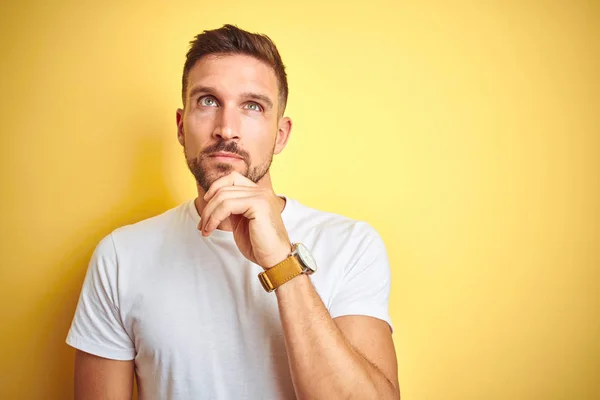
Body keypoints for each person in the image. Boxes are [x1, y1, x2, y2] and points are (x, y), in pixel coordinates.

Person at [66, 24, 400, 400]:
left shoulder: (351, 245)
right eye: (208, 101)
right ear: (180, 126)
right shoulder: (120, 257)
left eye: (253, 106)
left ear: (281, 134)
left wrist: (282, 264)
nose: (227, 129)